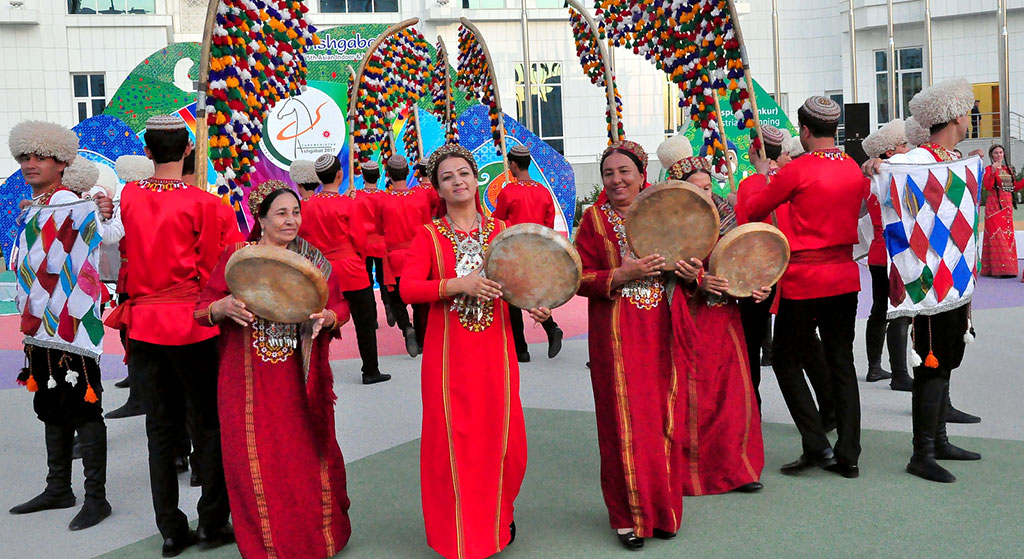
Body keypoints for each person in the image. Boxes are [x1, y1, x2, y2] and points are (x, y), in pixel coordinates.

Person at [400, 143, 550, 559]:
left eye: (463, 173)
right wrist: (455, 285)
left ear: (476, 178)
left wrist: (533, 301)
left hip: (495, 355)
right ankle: (459, 534)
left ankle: (500, 514)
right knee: (454, 444)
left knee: (505, 442)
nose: (458, 181)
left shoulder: (502, 230)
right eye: (447, 177)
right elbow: (407, 288)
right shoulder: (427, 235)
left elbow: (517, 281)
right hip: (449, 359)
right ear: (438, 189)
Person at [105, 114, 240, 557]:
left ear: (147, 153)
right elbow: (222, 267)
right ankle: (213, 522)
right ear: (187, 150)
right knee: (208, 424)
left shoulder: (129, 196)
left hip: (143, 326)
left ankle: (169, 529)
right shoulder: (208, 204)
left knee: (160, 430)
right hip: (193, 323)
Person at [195, 180, 353, 558]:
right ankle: (267, 544)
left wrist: (329, 317)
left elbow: (341, 308)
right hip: (247, 380)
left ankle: (319, 539)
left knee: (307, 457)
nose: (291, 220)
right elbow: (202, 308)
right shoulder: (238, 257)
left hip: (300, 380)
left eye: (295, 212)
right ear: (261, 218)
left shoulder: (314, 261)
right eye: (281, 213)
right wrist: (222, 308)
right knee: (254, 460)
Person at [573, 140, 693, 551]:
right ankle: (627, 518)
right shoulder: (594, 220)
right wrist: (621, 274)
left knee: (663, 419)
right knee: (621, 422)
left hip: (661, 329)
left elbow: (692, 262)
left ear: (643, 174)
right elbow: (578, 278)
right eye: (608, 173)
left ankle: (664, 512)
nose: (616, 180)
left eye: (624, 171)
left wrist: (691, 270)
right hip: (615, 336)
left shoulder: (666, 211)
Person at [862, 78, 982, 482]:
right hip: (928, 281)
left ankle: (940, 438)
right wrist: (876, 166)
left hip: (953, 279)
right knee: (932, 365)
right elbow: (883, 176)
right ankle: (922, 452)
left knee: (946, 359)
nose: (971, 117)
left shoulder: (954, 158)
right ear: (956, 115)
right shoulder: (915, 160)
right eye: (968, 111)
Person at [747, 96, 865, 479]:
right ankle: (849, 453)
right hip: (845, 277)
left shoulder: (798, 170)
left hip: (803, 278)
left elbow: (753, 210)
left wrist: (761, 172)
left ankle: (816, 444)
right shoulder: (852, 167)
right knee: (842, 361)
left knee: (784, 358)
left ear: (804, 130)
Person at [8, 121, 116, 531]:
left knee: (84, 409)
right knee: (51, 405)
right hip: (41, 327)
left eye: (40, 156)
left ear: (62, 161)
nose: (30, 163)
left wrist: (100, 212)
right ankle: (58, 488)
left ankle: (96, 498)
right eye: (24, 156)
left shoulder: (70, 202)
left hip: (71, 327)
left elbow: (104, 239)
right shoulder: (36, 204)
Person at [664, 146, 767, 496]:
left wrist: (755, 285)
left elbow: (742, 259)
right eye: (696, 188)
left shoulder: (724, 211)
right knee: (690, 394)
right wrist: (697, 280)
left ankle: (737, 469)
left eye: (707, 186)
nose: (705, 194)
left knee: (732, 393)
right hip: (684, 314)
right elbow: (661, 269)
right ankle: (687, 471)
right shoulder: (666, 220)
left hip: (724, 315)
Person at [302, 154, 390, 385]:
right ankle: (370, 370)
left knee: (320, 323)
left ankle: (316, 371)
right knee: (365, 321)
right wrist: (358, 258)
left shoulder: (306, 207)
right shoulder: (349, 204)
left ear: (318, 177)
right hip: (351, 268)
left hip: (322, 270)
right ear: (340, 174)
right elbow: (360, 238)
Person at [492, 144, 565, 362]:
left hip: (514, 252)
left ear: (513, 164)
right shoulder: (543, 192)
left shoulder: (508, 192)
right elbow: (548, 226)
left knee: (512, 298)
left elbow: (498, 222)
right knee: (533, 294)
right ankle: (551, 329)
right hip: (538, 252)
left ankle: (521, 349)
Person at [861, 119, 914, 390]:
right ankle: (900, 374)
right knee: (900, 311)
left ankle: (874, 367)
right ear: (890, 152)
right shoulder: (893, 176)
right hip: (896, 252)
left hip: (877, 253)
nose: (909, 149)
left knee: (880, 309)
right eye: (904, 145)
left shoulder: (873, 178)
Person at [377, 155, 433, 357]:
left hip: (394, 257)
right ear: (408, 173)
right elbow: (428, 226)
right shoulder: (420, 198)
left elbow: (378, 228)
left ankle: (406, 328)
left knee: (396, 299)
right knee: (420, 301)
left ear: (389, 175)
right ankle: (421, 340)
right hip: (417, 254)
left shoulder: (383, 201)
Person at [351, 161, 391, 326]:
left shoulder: (356, 197)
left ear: (364, 176)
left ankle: (372, 317)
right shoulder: (385, 197)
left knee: (366, 283)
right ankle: (388, 305)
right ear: (378, 175)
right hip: (382, 244)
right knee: (384, 280)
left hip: (363, 246)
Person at [981, 144, 1023, 277]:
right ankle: (999, 270)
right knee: (996, 236)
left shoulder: (1008, 170)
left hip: (1007, 208)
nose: (999, 155)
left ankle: (1008, 269)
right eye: (996, 153)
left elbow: (1013, 188)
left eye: (1000, 153)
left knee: (1007, 237)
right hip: (994, 208)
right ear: (991, 156)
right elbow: (987, 186)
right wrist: (993, 172)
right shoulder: (988, 169)